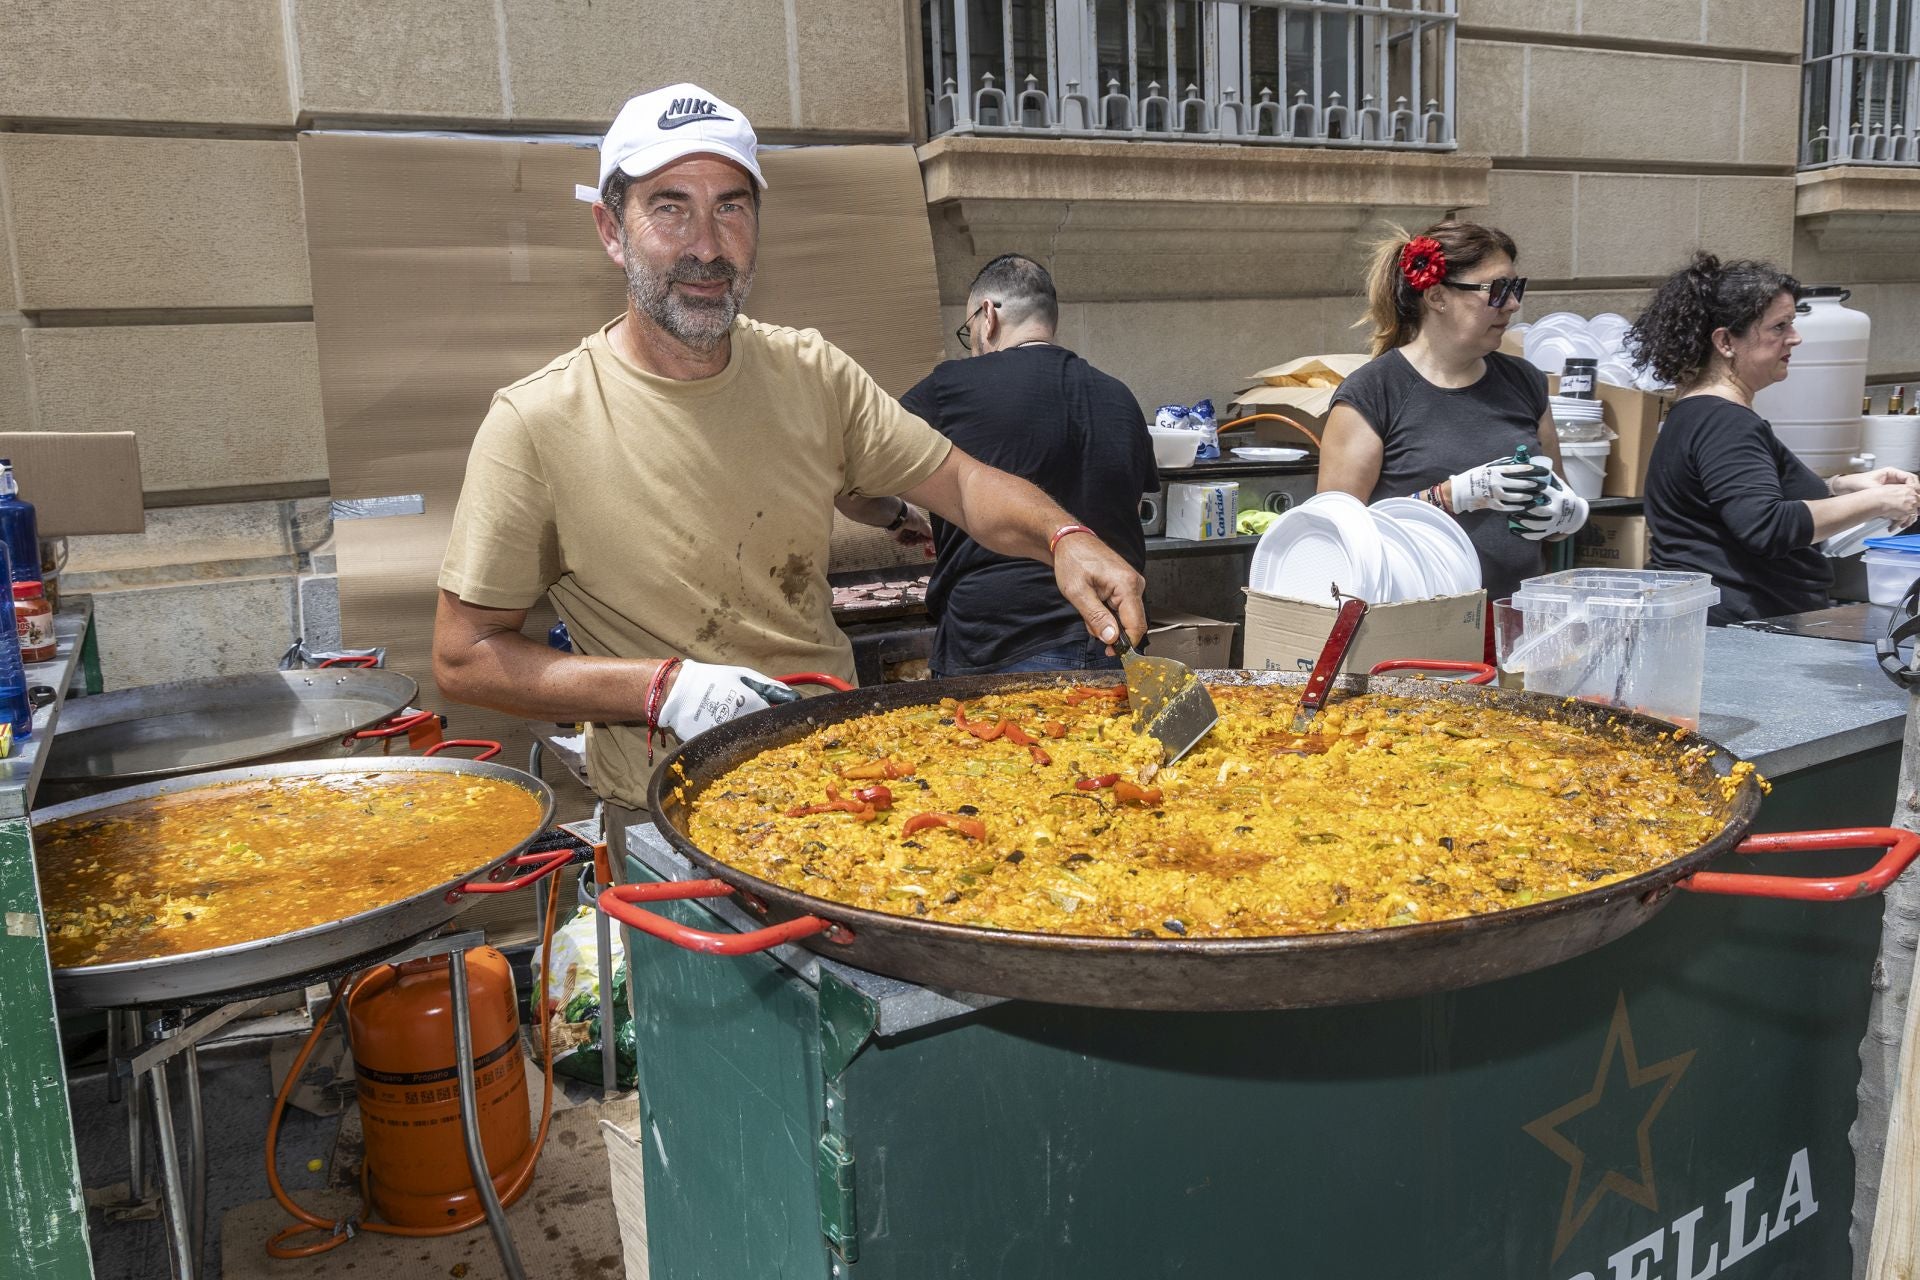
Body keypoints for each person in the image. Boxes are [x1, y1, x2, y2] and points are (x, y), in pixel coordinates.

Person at [432, 82, 1146, 822]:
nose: (706, 246)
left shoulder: (812, 373)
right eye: (670, 206)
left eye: (730, 206)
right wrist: (660, 689)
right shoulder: (537, 421)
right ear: (611, 230)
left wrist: (1064, 536)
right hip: (668, 811)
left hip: (841, 785)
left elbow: (962, 485)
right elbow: (464, 654)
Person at [896, 255, 1156, 677]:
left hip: (997, 642)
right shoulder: (1120, 397)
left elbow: (863, 467)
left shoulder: (949, 387)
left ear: (988, 316)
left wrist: (896, 516)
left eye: (969, 332)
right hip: (1116, 640)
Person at [1632, 253, 1920, 624]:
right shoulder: (1723, 422)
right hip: (1740, 630)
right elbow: (1766, 525)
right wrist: (1877, 501)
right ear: (1725, 342)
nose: (1795, 338)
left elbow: (1742, 499)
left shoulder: (1698, 413)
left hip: (1726, 624)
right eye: (1779, 327)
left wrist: (1841, 486)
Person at [1318, 221, 1587, 603]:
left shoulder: (1525, 382)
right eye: (1497, 290)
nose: (1512, 304)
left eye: (1516, 287)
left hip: (1514, 620)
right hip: (1415, 627)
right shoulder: (1374, 392)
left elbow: (1557, 489)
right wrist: (1445, 498)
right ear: (1437, 297)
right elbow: (1333, 534)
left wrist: (1564, 517)